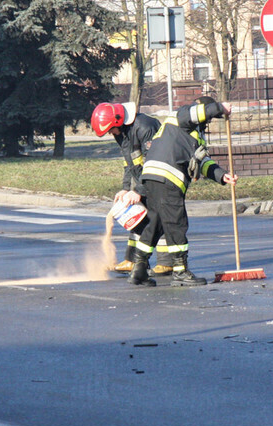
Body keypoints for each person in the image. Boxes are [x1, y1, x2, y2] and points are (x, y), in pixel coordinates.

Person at [120, 96, 238, 287]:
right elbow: (197, 112)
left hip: (151, 178)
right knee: (176, 223)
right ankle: (180, 271)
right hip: (168, 180)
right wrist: (220, 108)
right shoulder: (181, 116)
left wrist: (222, 176)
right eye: (208, 117)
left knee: (155, 223)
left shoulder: (194, 135)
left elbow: (202, 162)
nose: (207, 121)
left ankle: (139, 269)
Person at [90, 102, 175, 275]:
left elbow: (154, 162)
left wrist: (138, 191)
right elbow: (129, 162)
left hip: (162, 178)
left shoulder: (146, 127)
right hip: (144, 179)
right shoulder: (122, 132)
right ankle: (132, 260)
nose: (111, 134)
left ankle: (167, 263)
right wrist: (125, 188)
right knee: (136, 217)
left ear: (118, 121)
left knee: (160, 217)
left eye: (110, 130)